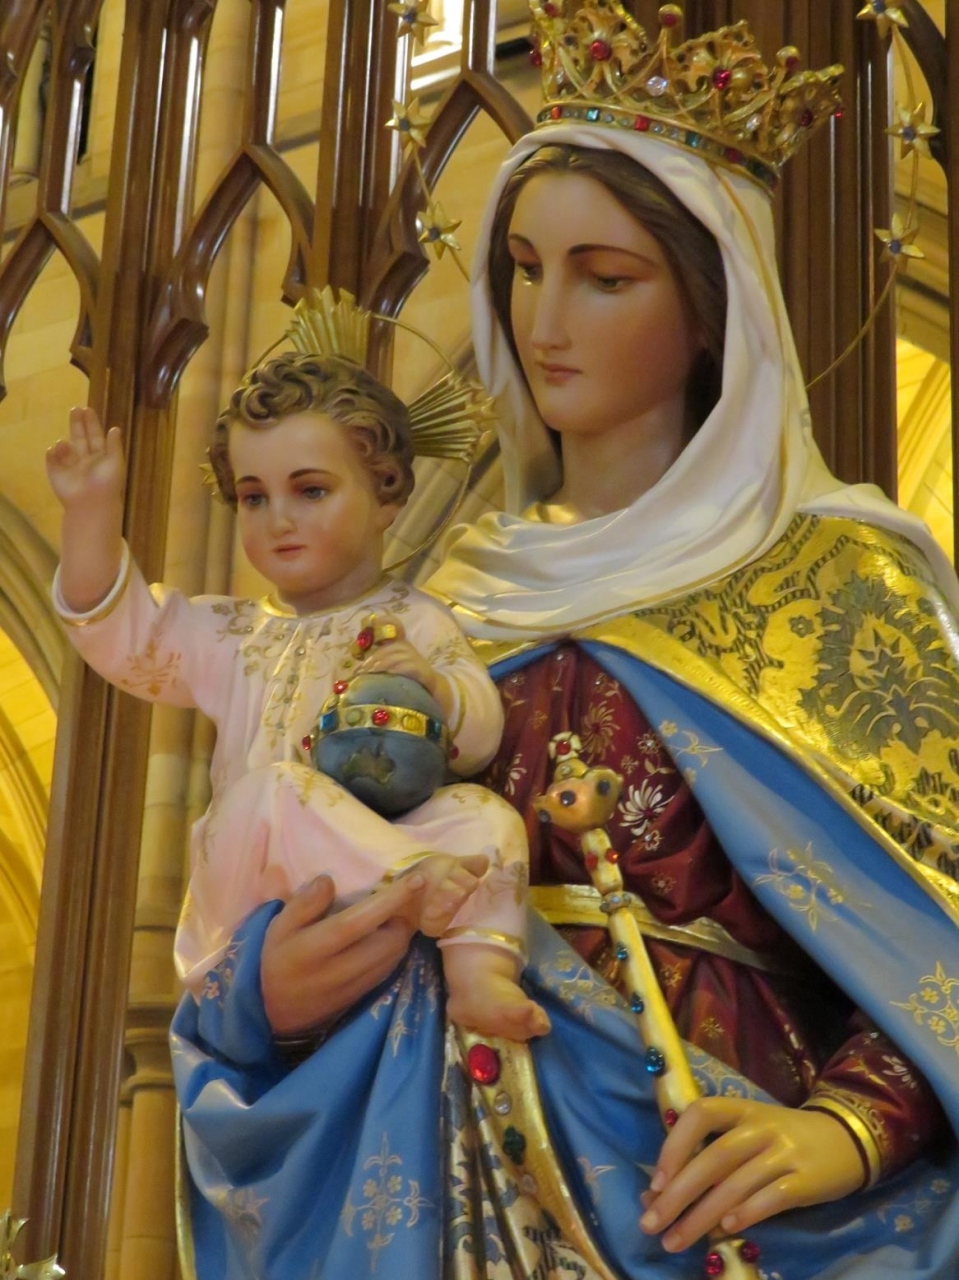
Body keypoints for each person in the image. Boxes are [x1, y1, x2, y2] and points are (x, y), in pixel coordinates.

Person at [166, 7, 959, 1280]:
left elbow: (933, 921)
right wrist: (262, 988)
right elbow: (293, 851)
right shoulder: (442, 598)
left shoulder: (831, 581)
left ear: (710, 309)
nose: (544, 319)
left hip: (705, 1179)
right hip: (418, 1177)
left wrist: (849, 1125)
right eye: (524, 267)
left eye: (604, 276)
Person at [45, 352, 549, 1042]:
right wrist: (90, 516)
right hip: (258, 879)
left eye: (310, 491)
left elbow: (479, 737)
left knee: (482, 815)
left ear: (387, 497)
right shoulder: (231, 634)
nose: (278, 519)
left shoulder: (418, 620)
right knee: (277, 790)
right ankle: (410, 882)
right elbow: (121, 635)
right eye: (254, 498)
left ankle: (478, 973)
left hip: (386, 843)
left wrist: (435, 687)